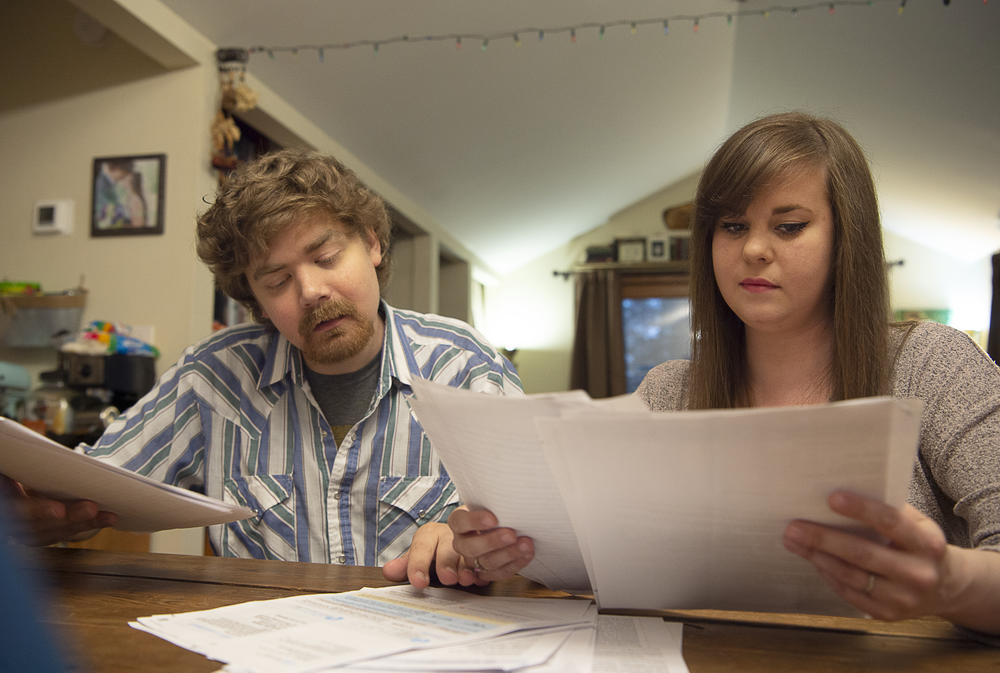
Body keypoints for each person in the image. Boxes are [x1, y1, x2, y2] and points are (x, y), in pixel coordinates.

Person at [451, 112, 1000, 635]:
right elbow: (598, 558)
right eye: (732, 226)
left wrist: (948, 584)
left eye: (788, 226)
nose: (755, 249)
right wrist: (499, 549)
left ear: (846, 240)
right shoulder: (667, 392)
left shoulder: (932, 364)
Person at [6, 148, 522, 588]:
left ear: (371, 242)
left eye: (325, 258)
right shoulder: (215, 376)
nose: (311, 292)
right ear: (253, 298)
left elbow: (552, 546)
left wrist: (476, 545)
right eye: (276, 281)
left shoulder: (465, 364)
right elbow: (92, 489)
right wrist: (40, 514)